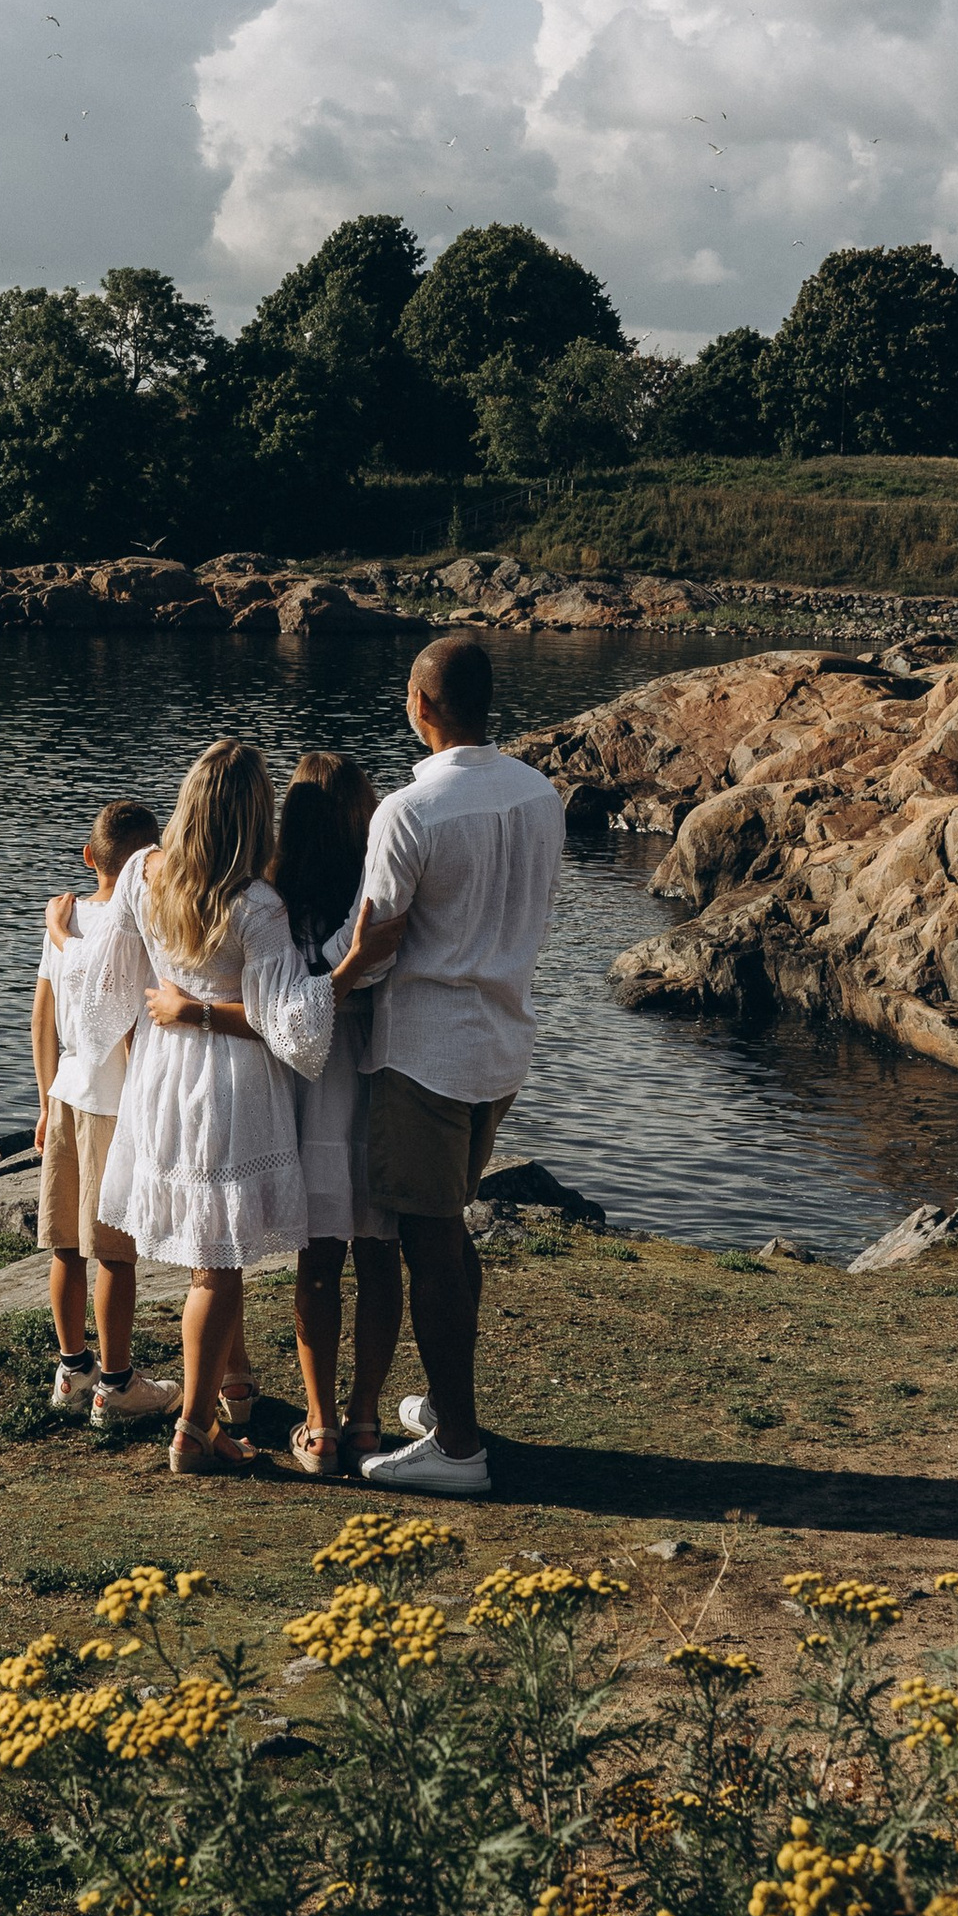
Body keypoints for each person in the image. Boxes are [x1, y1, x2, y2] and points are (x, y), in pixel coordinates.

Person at [63, 738, 402, 1480]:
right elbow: (291, 1022)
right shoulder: (257, 905)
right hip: (228, 1086)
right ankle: (191, 1429)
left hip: (161, 1076)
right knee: (217, 1267)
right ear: (254, 814)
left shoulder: (143, 873)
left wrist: (67, 945)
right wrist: (346, 966)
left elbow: (108, 975)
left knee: (203, 1266)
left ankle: (213, 1411)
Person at [351, 634, 565, 1501]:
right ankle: (447, 1408)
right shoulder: (540, 793)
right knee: (449, 1229)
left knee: (428, 1241)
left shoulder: (408, 811)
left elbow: (372, 945)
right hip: (503, 1041)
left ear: (420, 703)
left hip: (425, 1053)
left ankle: (462, 1447)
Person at [271, 751, 404, 1475]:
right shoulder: (377, 888)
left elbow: (288, 994)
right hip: (377, 1075)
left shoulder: (276, 896)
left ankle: (320, 1425)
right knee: (379, 1253)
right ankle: (363, 1420)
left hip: (309, 1087)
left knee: (318, 1260)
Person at [32, 796, 175, 1428]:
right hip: (114, 1106)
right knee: (115, 1251)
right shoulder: (139, 926)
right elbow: (130, 1030)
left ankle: (72, 1368)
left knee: (66, 1244)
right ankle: (116, 1386)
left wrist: (43, 1099)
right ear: (153, 859)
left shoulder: (69, 921)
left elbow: (41, 1015)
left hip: (65, 1092)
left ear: (90, 857)